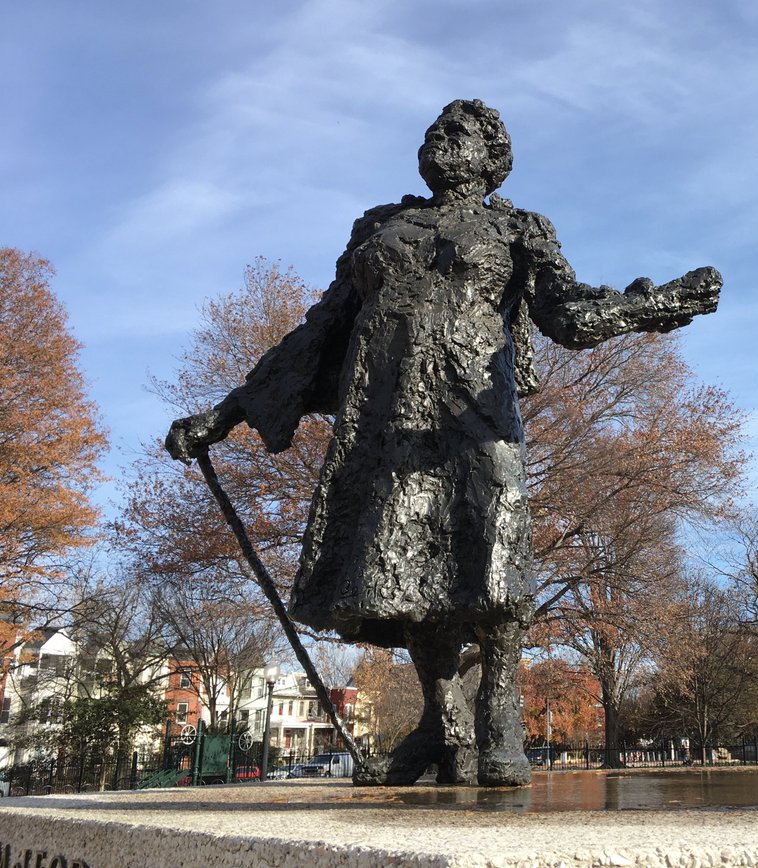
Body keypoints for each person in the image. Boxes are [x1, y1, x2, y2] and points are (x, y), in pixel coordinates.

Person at [166, 99, 722, 787]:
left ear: (492, 158)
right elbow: (317, 332)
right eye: (433, 130)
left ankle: (498, 711)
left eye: (456, 133)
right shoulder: (380, 228)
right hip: (386, 412)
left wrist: (653, 306)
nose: (438, 139)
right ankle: (446, 722)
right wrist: (222, 415)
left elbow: (566, 314)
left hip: (473, 403)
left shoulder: (516, 227)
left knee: (494, 543)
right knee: (405, 570)